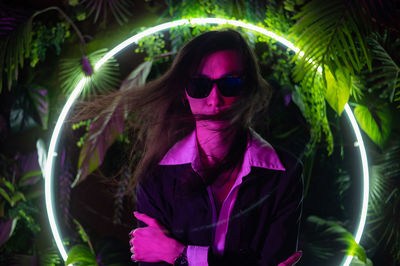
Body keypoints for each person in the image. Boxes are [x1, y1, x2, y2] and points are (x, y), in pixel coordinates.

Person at [125, 29, 303, 265]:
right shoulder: (155, 178)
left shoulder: (285, 175)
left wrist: (179, 254)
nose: (215, 100)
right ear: (185, 93)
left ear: (247, 90)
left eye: (230, 84)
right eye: (199, 85)